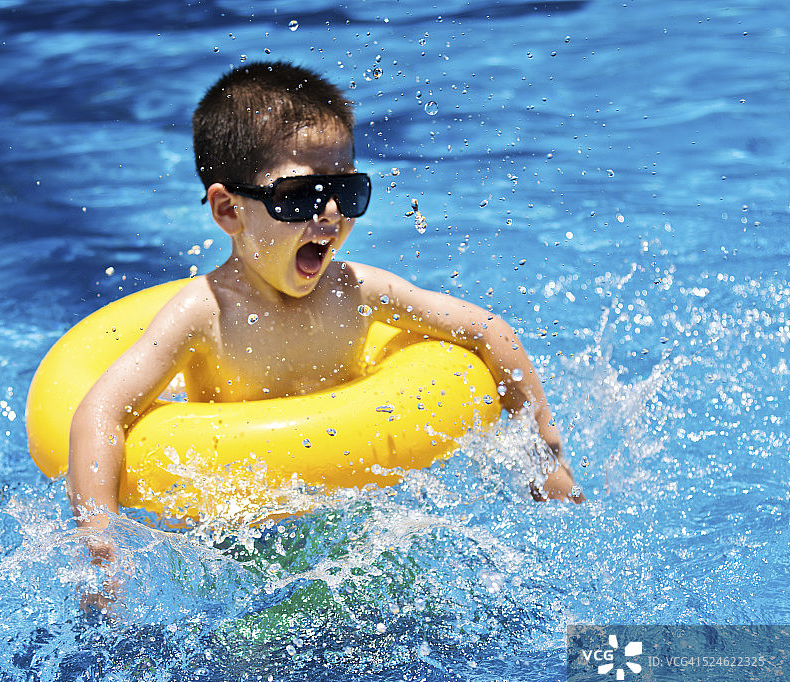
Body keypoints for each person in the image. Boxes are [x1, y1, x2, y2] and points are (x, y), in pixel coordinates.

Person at [67, 60, 583, 554]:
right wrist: (101, 540)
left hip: (359, 524)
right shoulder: (203, 315)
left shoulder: (357, 291)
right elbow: (100, 411)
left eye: (347, 191)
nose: (331, 214)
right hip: (239, 543)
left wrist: (546, 459)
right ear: (229, 210)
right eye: (300, 196)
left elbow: (489, 330)